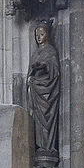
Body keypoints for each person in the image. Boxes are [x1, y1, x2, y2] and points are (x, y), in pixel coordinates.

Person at [26, 22, 60, 156]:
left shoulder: (50, 51)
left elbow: (55, 72)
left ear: (47, 35)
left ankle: (48, 146)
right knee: (37, 119)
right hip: (35, 90)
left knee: (48, 117)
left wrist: (45, 65)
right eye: (36, 35)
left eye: (41, 34)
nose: (39, 37)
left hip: (47, 90)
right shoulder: (35, 53)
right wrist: (31, 78)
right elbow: (30, 72)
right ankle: (40, 145)